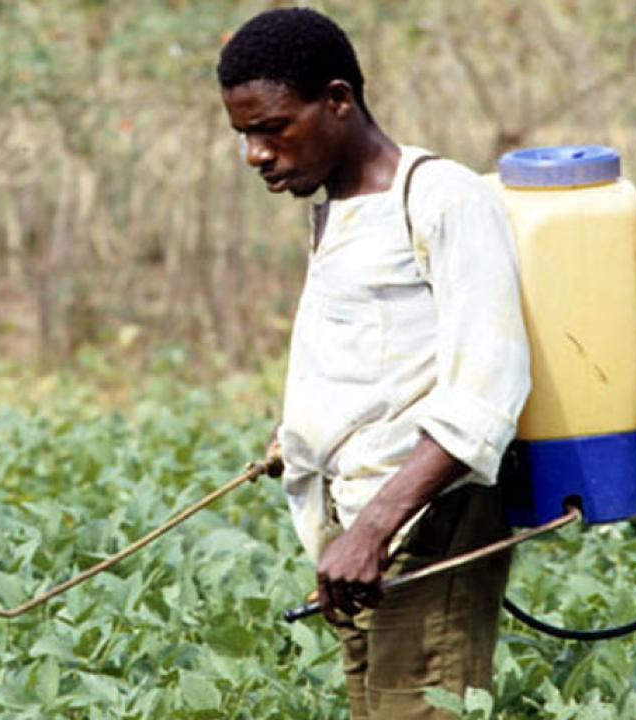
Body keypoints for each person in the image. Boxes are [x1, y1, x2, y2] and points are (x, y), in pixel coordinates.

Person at [217, 8, 531, 718]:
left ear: (338, 100)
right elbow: (380, 365)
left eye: (272, 127)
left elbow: (488, 392)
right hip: (359, 537)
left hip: (426, 527)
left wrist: (371, 531)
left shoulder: (444, 198)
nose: (255, 155)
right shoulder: (342, 206)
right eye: (243, 135)